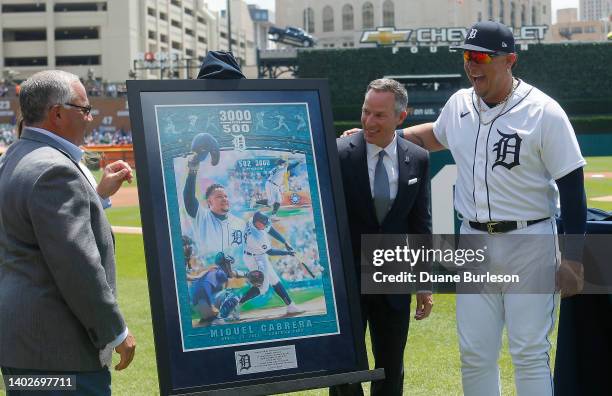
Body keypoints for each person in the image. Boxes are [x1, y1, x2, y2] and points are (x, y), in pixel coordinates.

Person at [344, 21, 586, 396]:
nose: (471, 65)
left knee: (529, 352)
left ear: (509, 61)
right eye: (466, 57)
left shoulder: (544, 112)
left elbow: (573, 188)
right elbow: (429, 136)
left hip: (530, 240)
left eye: (480, 57)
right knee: (475, 353)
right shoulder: (459, 104)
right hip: (474, 240)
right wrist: (373, 133)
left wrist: (573, 258)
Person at [0, 70, 136, 394]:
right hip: (60, 352)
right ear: (57, 114)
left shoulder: (14, 158)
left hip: (24, 347)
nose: (89, 118)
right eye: (84, 109)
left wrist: (98, 196)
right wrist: (116, 332)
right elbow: (78, 265)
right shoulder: (55, 170)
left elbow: (35, 234)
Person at [332, 78, 433, 396]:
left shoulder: (418, 158)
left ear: (401, 117)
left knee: (391, 369)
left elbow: (420, 225)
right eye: (366, 112)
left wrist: (424, 282)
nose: (369, 122)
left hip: (392, 273)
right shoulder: (337, 153)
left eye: (379, 115)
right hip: (346, 278)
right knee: (344, 371)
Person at [229, 211, 303, 316]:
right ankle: (235, 304)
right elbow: (270, 252)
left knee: (275, 280)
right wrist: (287, 252)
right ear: (258, 223)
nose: (266, 225)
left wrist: (285, 242)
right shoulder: (256, 237)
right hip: (255, 258)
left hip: (258, 254)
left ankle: (291, 306)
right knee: (263, 287)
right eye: (264, 223)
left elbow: (271, 229)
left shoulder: (252, 221)